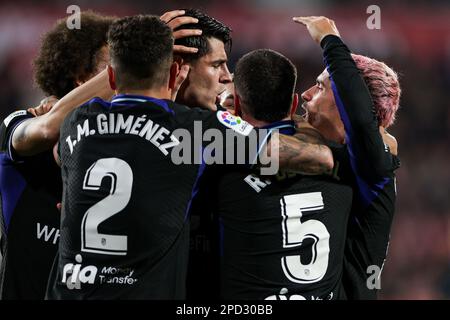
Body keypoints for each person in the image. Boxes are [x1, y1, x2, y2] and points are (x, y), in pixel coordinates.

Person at [45, 15, 334, 300]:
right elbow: (319, 158)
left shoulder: (74, 123)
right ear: (178, 71)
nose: (227, 76)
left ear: (112, 76)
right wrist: (300, 117)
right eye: (217, 64)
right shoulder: (198, 132)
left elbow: (58, 142)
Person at [210, 48, 353, 300]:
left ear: (238, 104)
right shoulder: (348, 165)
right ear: (295, 103)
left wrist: (222, 115)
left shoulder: (221, 162)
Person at [0, 11, 114, 299]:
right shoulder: (19, 123)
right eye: (110, 66)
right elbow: (50, 128)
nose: (121, 76)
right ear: (80, 78)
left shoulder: (128, 147)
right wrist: (137, 59)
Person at [294, 16, 401, 299]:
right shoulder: (339, 155)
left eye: (319, 87)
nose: (305, 95)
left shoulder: (374, 165)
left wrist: (330, 40)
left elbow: (361, 120)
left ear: (345, 98)